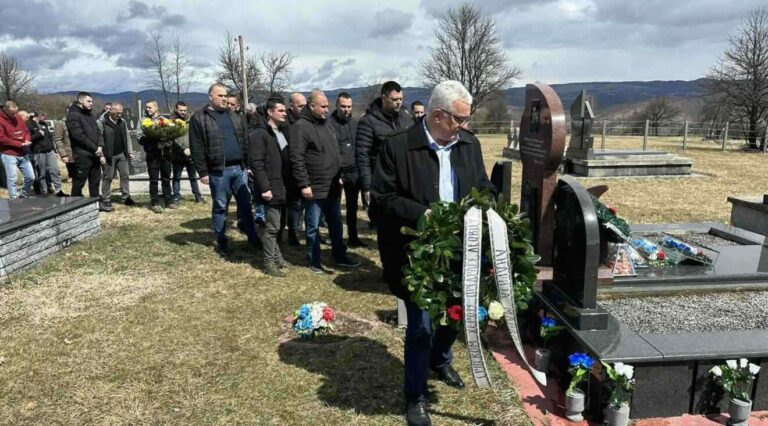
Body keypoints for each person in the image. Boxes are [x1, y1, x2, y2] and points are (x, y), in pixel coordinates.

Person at [371, 81, 494, 426]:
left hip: (460, 249)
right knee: (421, 327)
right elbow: (383, 199)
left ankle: (439, 360)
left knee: (456, 314)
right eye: (459, 119)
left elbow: (482, 184)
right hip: (414, 254)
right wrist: (423, 215)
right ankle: (416, 396)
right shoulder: (397, 146)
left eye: (467, 119)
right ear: (438, 115)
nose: (464, 125)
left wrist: (485, 203)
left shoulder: (469, 144)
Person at [289, 89, 360, 273]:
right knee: (313, 227)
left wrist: (339, 175)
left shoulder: (327, 124)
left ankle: (339, 255)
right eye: (323, 107)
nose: (327, 110)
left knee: (335, 223)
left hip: (332, 185)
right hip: (314, 187)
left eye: (327, 106)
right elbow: (296, 158)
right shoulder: (300, 127)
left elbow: (335, 151)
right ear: (312, 106)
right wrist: (304, 184)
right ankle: (314, 260)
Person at [189, 83, 259, 258]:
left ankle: (253, 238)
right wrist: (202, 171)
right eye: (220, 95)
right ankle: (221, 242)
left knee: (246, 204)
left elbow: (245, 141)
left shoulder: (235, 116)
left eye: (226, 95)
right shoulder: (199, 118)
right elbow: (196, 146)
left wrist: (248, 165)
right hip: (218, 171)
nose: (224, 98)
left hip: (239, 169)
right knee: (221, 207)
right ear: (210, 96)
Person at [356, 80, 413, 223]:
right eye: (394, 99)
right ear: (383, 98)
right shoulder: (368, 121)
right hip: (381, 180)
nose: (398, 103)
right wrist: (367, 185)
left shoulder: (406, 118)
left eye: (400, 99)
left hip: (405, 179)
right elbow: (362, 155)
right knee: (385, 220)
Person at [249, 96, 290, 277]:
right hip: (270, 187)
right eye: (280, 110)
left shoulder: (279, 132)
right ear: (270, 112)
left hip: (280, 185)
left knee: (277, 225)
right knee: (272, 227)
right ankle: (269, 263)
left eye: (285, 110)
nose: (284, 113)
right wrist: (265, 187)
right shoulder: (260, 134)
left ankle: (278, 258)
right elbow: (257, 163)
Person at [328, 92, 365, 248]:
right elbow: (330, 151)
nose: (346, 109)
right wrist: (337, 174)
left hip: (354, 172)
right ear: (337, 105)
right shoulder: (329, 124)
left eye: (349, 106)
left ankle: (353, 237)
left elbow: (360, 147)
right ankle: (336, 240)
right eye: (343, 106)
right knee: (334, 209)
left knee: (352, 207)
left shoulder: (355, 124)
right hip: (336, 173)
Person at [66, 92, 105, 199]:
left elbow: (98, 132)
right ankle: (75, 203)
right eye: (88, 101)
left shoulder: (90, 115)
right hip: (82, 155)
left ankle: (95, 202)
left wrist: (100, 146)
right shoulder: (73, 115)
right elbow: (79, 136)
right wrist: (95, 148)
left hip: (95, 154)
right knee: (79, 182)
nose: (91, 103)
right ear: (80, 101)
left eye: (92, 101)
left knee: (95, 181)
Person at [97, 101, 135, 210]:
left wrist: (130, 151)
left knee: (125, 176)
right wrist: (101, 155)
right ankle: (106, 199)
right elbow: (98, 138)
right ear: (110, 111)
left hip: (122, 154)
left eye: (121, 112)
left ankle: (126, 197)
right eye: (117, 113)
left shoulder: (122, 122)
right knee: (108, 177)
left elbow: (127, 136)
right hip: (109, 155)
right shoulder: (102, 122)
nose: (119, 115)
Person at [140, 100, 176, 213]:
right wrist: (152, 143)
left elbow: (171, 135)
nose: (147, 109)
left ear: (156, 107)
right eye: (146, 107)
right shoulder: (143, 121)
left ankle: (168, 200)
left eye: (149, 107)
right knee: (154, 179)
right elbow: (139, 136)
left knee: (166, 178)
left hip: (165, 154)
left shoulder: (165, 120)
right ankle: (155, 202)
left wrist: (167, 143)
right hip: (152, 155)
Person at [170, 101, 203, 203]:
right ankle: (176, 196)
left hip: (190, 154)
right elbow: (171, 139)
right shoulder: (172, 122)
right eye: (181, 110)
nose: (183, 112)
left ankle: (198, 196)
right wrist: (182, 149)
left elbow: (196, 136)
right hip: (177, 154)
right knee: (176, 177)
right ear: (176, 110)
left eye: (185, 110)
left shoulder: (191, 121)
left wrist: (192, 149)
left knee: (193, 177)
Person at [0, 101, 34, 199]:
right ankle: (14, 199)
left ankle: (23, 195)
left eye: (16, 112)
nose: (14, 115)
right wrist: (19, 143)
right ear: (5, 110)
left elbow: (26, 131)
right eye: (12, 113)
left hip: (23, 152)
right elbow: (2, 138)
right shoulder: (1, 120)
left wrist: (27, 139)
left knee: (31, 177)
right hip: (9, 154)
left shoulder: (18, 117)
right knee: (12, 178)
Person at [27, 112, 66, 197]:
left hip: (49, 150)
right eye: (43, 116)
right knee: (42, 173)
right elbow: (28, 138)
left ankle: (58, 190)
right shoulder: (29, 124)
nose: (45, 118)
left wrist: (54, 150)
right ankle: (45, 191)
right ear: (37, 116)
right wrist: (39, 134)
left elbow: (49, 138)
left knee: (55, 170)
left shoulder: (44, 124)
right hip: (39, 151)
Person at [53, 107, 77, 184]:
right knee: (71, 166)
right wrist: (63, 154)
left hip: (78, 150)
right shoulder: (60, 123)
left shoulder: (77, 122)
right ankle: (71, 176)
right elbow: (58, 139)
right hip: (68, 150)